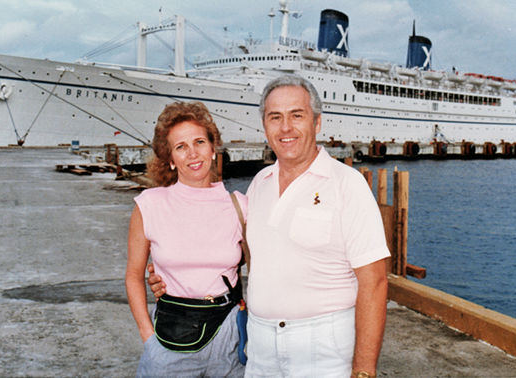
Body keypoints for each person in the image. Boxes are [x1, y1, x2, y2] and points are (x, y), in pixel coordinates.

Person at [149, 75, 390, 378]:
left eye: (296, 115)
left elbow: (375, 282)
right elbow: (229, 256)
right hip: (260, 348)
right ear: (265, 127)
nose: (285, 128)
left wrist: (364, 371)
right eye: (275, 117)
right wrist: (169, 275)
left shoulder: (347, 185)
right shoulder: (258, 186)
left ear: (316, 122)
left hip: (322, 348)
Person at [125, 101, 247, 378]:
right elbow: (133, 275)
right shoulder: (149, 205)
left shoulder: (238, 205)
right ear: (170, 158)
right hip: (170, 339)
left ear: (212, 147)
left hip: (228, 336)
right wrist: (148, 338)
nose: (193, 153)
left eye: (199, 142)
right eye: (180, 146)